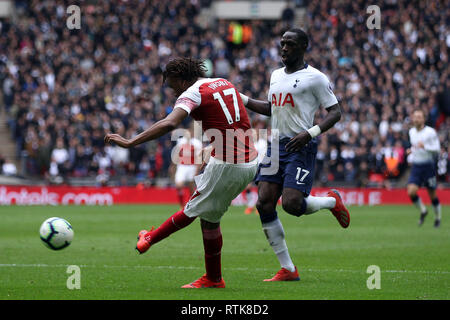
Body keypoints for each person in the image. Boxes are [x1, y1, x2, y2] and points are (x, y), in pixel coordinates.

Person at [104, 57, 258, 288]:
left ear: (182, 79)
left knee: (191, 209)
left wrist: (130, 142)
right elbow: (236, 120)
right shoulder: (223, 82)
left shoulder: (193, 92)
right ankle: (214, 278)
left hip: (229, 163)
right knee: (210, 219)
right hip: (249, 160)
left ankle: (149, 239)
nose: (171, 90)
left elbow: (169, 123)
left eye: (172, 84)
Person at [239, 28, 350, 281]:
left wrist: (310, 133)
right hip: (276, 144)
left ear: (303, 47)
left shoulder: (316, 78)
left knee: (291, 204)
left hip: (301, 145)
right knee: (264, 202)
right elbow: (271, 108)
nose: (284, 48)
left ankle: (332, 201)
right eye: (282, 44)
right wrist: (243, 99)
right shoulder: (275, 75)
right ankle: (288, 269)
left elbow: (335, 112)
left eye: (289, 44)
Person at [406, 109, 442, 228]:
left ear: (423, 119)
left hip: (428, 166)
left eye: (419, 117)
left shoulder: (430, 132)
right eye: (415, 117)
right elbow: (416, 146)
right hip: (416, 165)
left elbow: (437, 149)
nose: (416, 119)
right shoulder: (411, 132)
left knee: (432, 194)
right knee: (411, 191)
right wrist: (411, 150)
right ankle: (423, 210)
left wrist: (425, 146)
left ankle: (437, 218)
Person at [172, 125, 203, 208]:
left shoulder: (197, 143)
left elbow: (198, 158)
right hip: (182, 166)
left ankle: (191, 205)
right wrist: (173, 166)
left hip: (192, 167)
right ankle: (182, 205)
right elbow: (176, 154)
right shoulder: (180, 142)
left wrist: (197, 170)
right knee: (179, 185)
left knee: (191, 187)